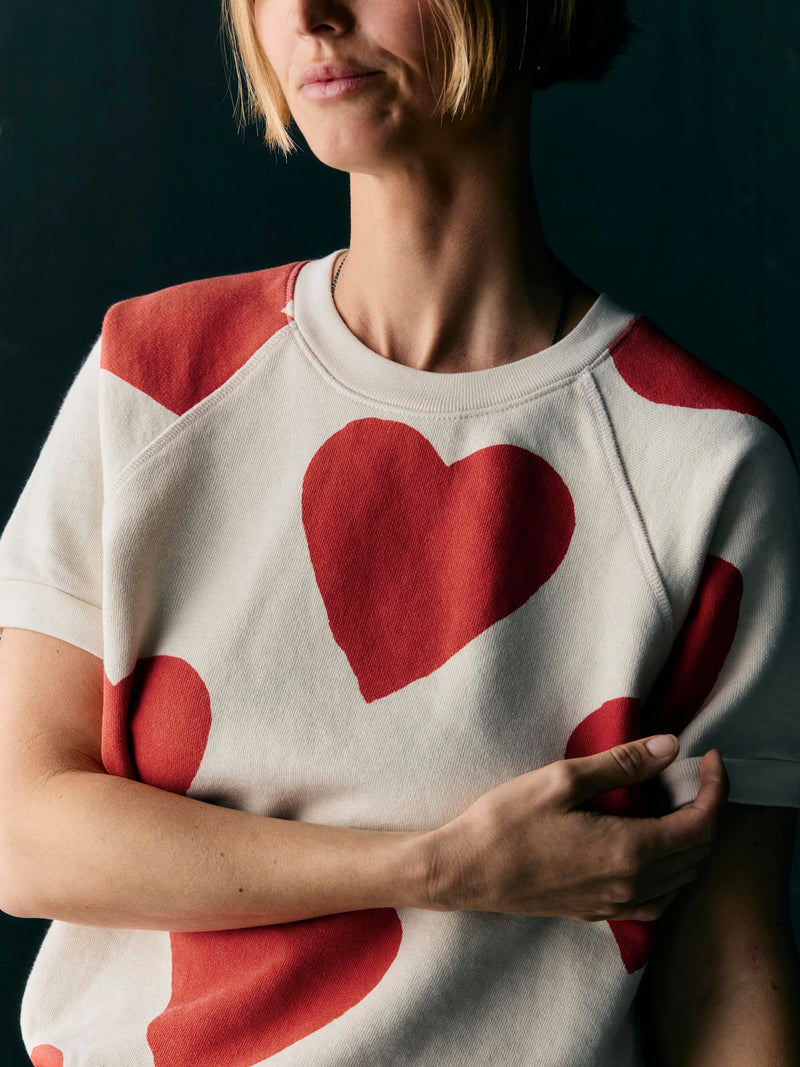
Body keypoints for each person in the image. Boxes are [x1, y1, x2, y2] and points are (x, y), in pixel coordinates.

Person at [0, 0, 799, 1064]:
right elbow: (20, 830)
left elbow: (727, 968)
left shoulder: (704, 464)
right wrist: (439, 867)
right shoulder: (154, 376)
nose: (313, 15)